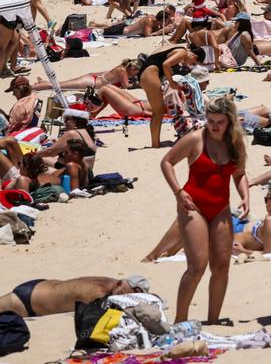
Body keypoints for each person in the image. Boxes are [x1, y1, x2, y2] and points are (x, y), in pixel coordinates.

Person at [160, 97, 248, 324]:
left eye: (220, 122)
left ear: (229, 122)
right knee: (197, 266)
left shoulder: (235, 142)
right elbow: (167, 162)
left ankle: (213, 321)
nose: (214, 126)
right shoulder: (196, 139)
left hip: (221, 208)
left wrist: (245, 195)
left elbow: (239, 174)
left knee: (221, 266)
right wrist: (178, 192)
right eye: (211, 121)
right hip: (193, 207)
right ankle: (180, 320)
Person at [139, 46, 206, 149]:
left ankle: (155, 143)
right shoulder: (183, 52)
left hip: (146, 72)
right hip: (150, 74)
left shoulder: (175, 47)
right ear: (194, 56)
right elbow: (165, 65)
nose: (189, 64)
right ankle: (155, 144)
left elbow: (157, 57)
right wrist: (171, 82)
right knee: (159, 111)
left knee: (158, 111)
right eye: (193, 63)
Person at [0, 276, 150, 318]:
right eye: (129, 292)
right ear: (119, 284)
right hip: (29, 300)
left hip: (41, 287)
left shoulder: (110, 282)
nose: (128, 296)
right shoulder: (99, 293)